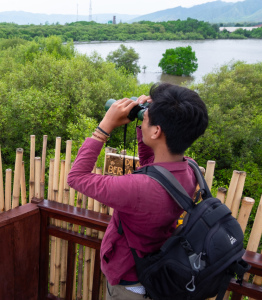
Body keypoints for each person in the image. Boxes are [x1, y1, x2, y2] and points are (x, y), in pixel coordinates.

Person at [67, 83, 209, 300]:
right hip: (155, 270)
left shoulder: (138, 188)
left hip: (129, 284)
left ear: (157, 131)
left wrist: (104, 127)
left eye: (146, 119)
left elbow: (77, 177)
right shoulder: (189, 168)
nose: (143, 121)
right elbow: (153, 167)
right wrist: (144, 124)